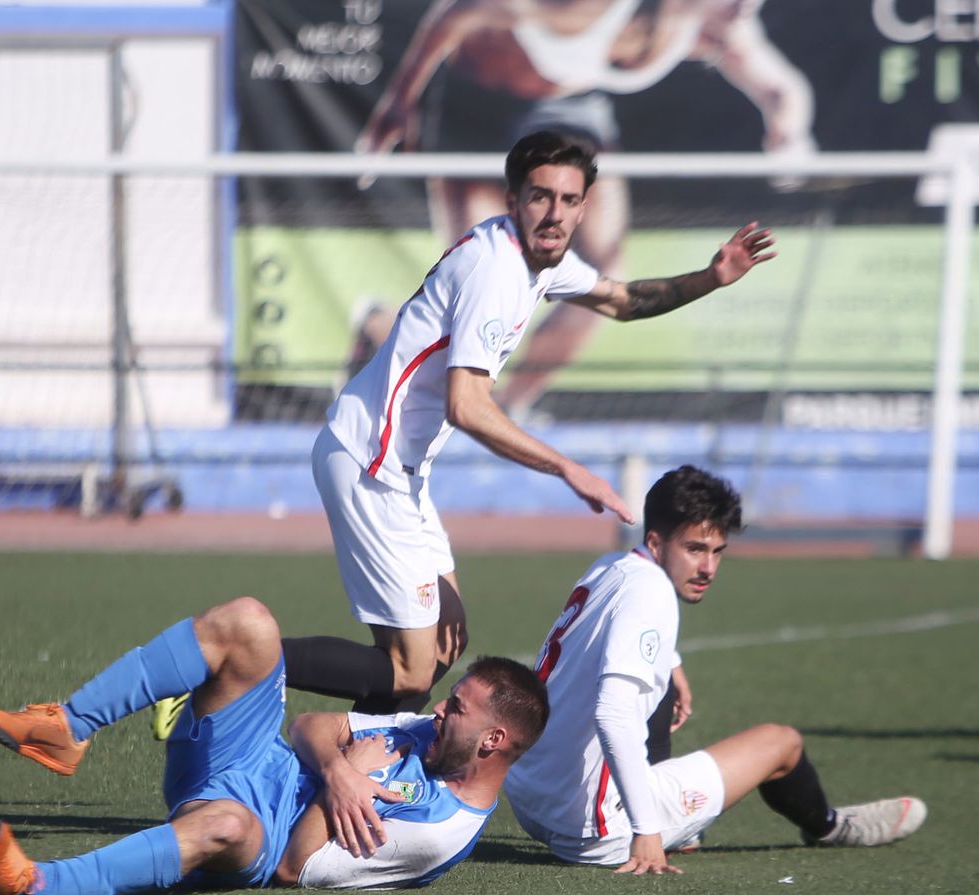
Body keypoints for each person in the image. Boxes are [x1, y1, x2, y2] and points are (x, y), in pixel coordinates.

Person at [279, 129, 776, 724]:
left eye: (568, 200)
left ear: (583, 208)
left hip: (400, 469)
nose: (555, 212)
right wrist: (569, 469)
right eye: (540, 197)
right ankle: (234, 662)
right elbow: (467, 405)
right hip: (370, 460)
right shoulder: (497, 272)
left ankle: (349, 772)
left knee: (439, 649)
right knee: (412, 666)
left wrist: (711, 277)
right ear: (512, 200)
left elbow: (622, 301)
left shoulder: (543, 260)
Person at [357, 0, 816, 418]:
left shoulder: (717, 26)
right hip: (479, 106)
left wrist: (789, 137)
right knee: (483, 286)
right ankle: (380, 326)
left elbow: (781, 90)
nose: (745, 10)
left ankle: (509, 406)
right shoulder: (591, 7)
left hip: (567, 112)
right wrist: (400, 100)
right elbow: (460, 12)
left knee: (606, 271)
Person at [0, 595, 549, 895]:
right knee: (250, 622)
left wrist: (339, 778)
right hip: (250, 756)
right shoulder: (426, 730)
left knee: (222, 822)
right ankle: (70, 727)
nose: (439, 709)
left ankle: (29, 885)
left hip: (256, 835)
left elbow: (294, 869)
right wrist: (340, 770)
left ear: (493, 741)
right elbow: (311, 724)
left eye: (458, 710)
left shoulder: (438, 831)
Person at [503, 465, 926, 874]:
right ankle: (831, 827)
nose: (708, 568)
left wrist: (673, 663)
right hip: (591, 831)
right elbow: (612, 712)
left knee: (656, 679)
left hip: (529, 795)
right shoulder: (653, 593)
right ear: (656, 541)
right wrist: (645, 831)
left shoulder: (611, 566)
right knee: (781, 744)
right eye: (694, 549)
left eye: (717, 551)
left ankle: (673, 821)